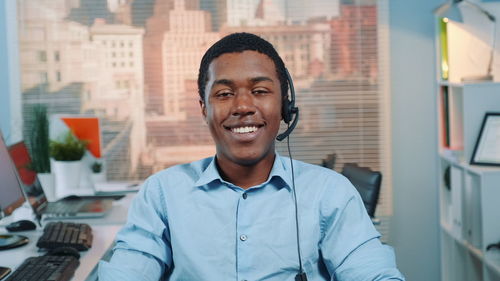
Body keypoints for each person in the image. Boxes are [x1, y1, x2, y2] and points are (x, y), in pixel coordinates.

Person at [98, 32, 405, 281]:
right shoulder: (161, 194)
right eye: (223, 93)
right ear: (204, 108)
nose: (242, 106)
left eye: (259, 91)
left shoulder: (331, 193)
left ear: (285, 107)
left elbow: (374, 273)